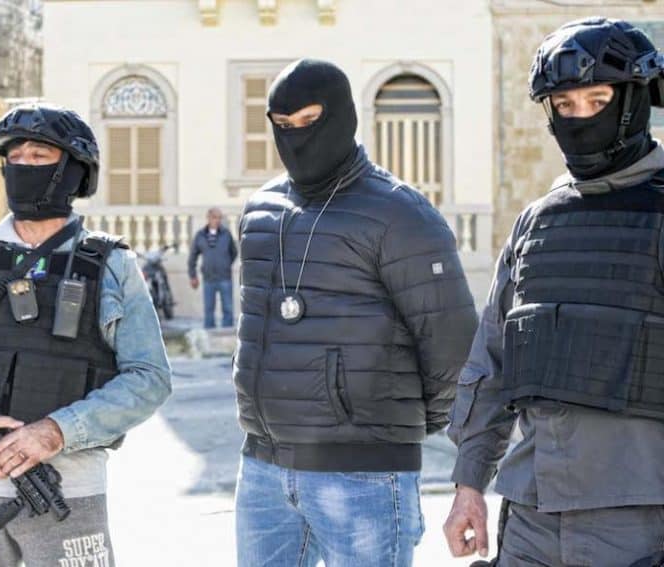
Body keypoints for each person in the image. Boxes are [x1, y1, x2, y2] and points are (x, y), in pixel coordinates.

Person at [0, 103, 172, 567]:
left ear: (75, 172)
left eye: (39, 155)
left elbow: (149, 377)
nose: (23, 166)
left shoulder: (112, 265)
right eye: (15, 156)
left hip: (69, 490)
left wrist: (56, 432)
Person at [233, 58, 478, 566]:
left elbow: (453, 348)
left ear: (344, 116)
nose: (296, 136)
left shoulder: (401, 214)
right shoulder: (260, 212)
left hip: (365, 475)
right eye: (282, 125)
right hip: (263, 470)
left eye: (309, 121)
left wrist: (390, 430)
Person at [443, 18, 664, 567]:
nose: (580, 117)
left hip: (640, 520)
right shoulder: (536, 223)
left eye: (598, 100)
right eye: (564, 105)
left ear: (635, 101)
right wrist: (469, 484)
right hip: (531, 516)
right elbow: (492, 363)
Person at [187, 207, 237, 328]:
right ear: (208, 218)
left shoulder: (226, 234)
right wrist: (193, 276)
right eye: (214, 217)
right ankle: (209, 333)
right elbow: (192, 257)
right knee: (209, 309)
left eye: (219, 218)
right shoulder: (200, 235)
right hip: (208, 279)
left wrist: (225, 264)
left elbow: (234, 252)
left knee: (228, 308)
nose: (217, 220)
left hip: (225, 278)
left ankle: (227, 333)